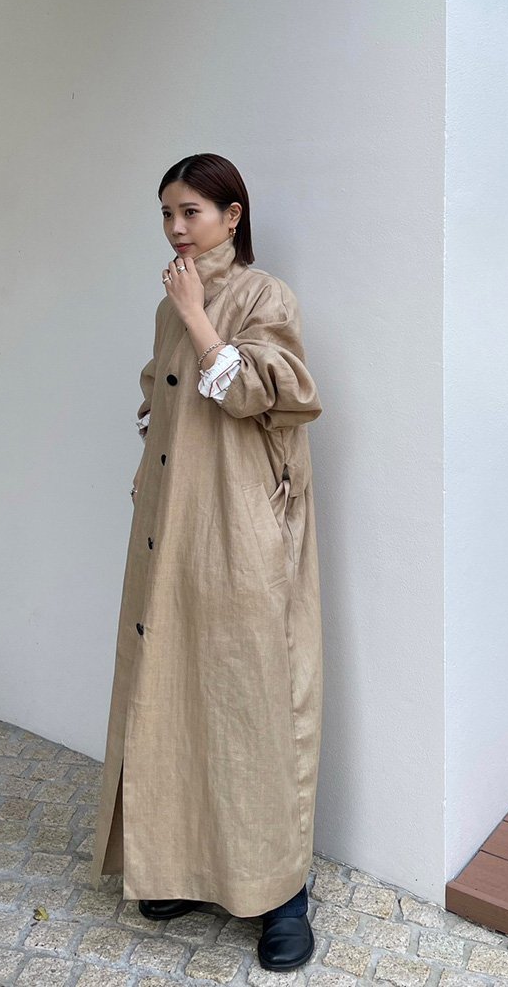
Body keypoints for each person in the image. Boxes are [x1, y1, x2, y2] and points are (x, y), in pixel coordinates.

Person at [89, 153, 323, 973]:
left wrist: (196, 316)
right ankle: (187, 866)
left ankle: (282, 893)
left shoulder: (263, 296)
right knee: (176, 688)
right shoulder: (170, 303)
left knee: (253, 701)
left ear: (232, 215)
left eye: (190, 211)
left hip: (239, 525)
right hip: (172, 519)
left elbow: (267, 394)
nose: (176, 228)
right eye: (166, 213)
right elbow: (163, 395)